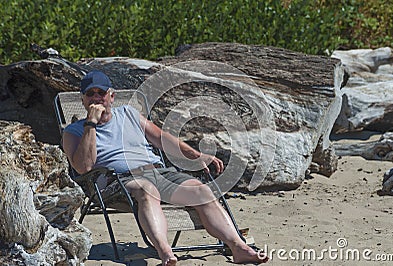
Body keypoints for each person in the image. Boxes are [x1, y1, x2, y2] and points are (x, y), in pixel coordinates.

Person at [62, 70, 268, 266]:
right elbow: (83, 167)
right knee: (146, 189)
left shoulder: (129, 114)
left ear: (112, 96)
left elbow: (162, 139)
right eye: (90, 94)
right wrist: (91, 124)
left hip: (158, 172)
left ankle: (238, 247)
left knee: (201, 190)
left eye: (101, 93)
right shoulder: (74, 131)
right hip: (116, 181)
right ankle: (165, 251)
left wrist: (196, 155)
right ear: (83, 100)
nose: (96, 98)